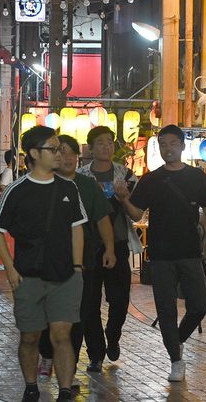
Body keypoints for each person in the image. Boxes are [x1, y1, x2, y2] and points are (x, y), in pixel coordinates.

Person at [115, 124, 206, 382]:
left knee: (198, 306)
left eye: (172, 144)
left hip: (190, 251)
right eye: (163, 144)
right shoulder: (151, 179)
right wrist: (123, 199)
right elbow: (136, 214)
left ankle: (176, 341)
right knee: (166, 310)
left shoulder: (197, 177)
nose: (168, 148)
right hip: (161, 254)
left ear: (182, 146)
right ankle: (176, 360)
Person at [0, 126, 87, 402]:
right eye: (53, 149)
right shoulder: (17, 190)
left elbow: (77, 227)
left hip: (65, 276)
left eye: (60, 149)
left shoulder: (68, 187)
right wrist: (9, 268)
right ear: (34, 153)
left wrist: (78, 268)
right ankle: (31, 386)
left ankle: (65, 391)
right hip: (28, 276)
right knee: (30, 336)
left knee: (62, 335)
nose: (60, 154)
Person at [37, 134, 116, 388]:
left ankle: (67, 377)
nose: (68, 158)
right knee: (50, 316)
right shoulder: (43, 183)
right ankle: (48, 354)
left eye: (72, 153)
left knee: (81, 315)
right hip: (49, 263)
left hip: (85, 262)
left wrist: (110, 249)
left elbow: (103, 219)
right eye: (62, 152)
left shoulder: (87, 185)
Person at [77, 126, 141, 373]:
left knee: (120, 299)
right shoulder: (80, 177)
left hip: (119, 244)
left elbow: (136, 213)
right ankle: (95, 353)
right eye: (100, 143)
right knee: (89, 302)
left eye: (110, 142)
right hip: (88, 247)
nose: (106, 147)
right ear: (90, 148)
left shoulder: (125, 175)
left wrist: (124, 197)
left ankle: (113, 334)